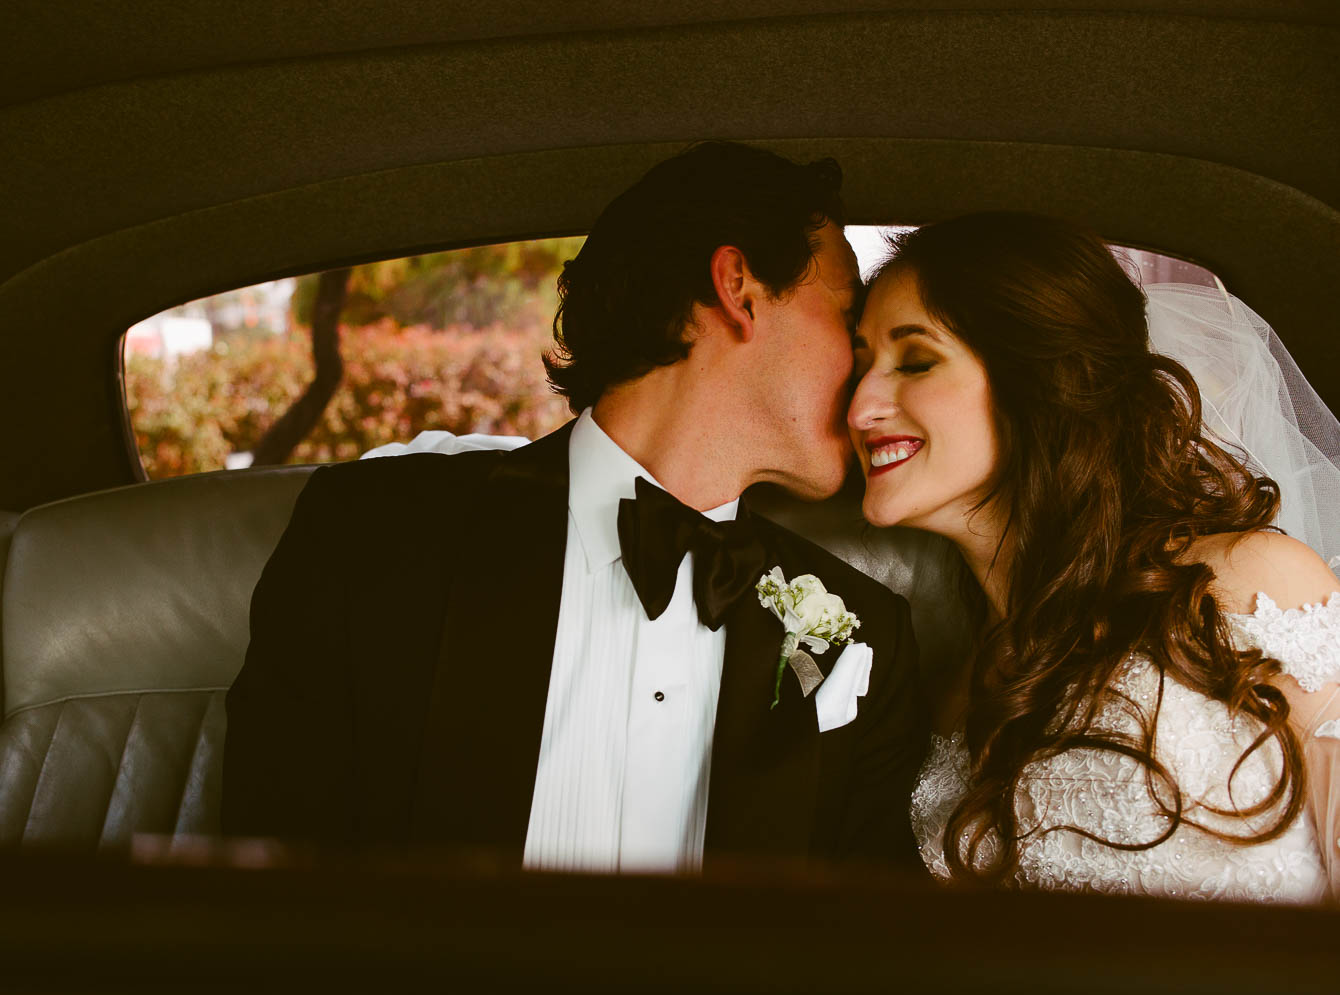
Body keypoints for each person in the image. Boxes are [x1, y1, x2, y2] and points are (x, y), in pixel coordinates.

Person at [222, 142, 929, 874]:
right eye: (848, 321)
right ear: (738, 289)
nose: (869, 379)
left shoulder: (863, 633)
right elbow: (268, 898)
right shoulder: (374, 538)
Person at [847, 211, 1340, 902]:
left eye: (916, 361)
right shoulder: (959, 695)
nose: (860, 405)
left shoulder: (1247, 587)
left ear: (1041, 381)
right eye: (860, 365)